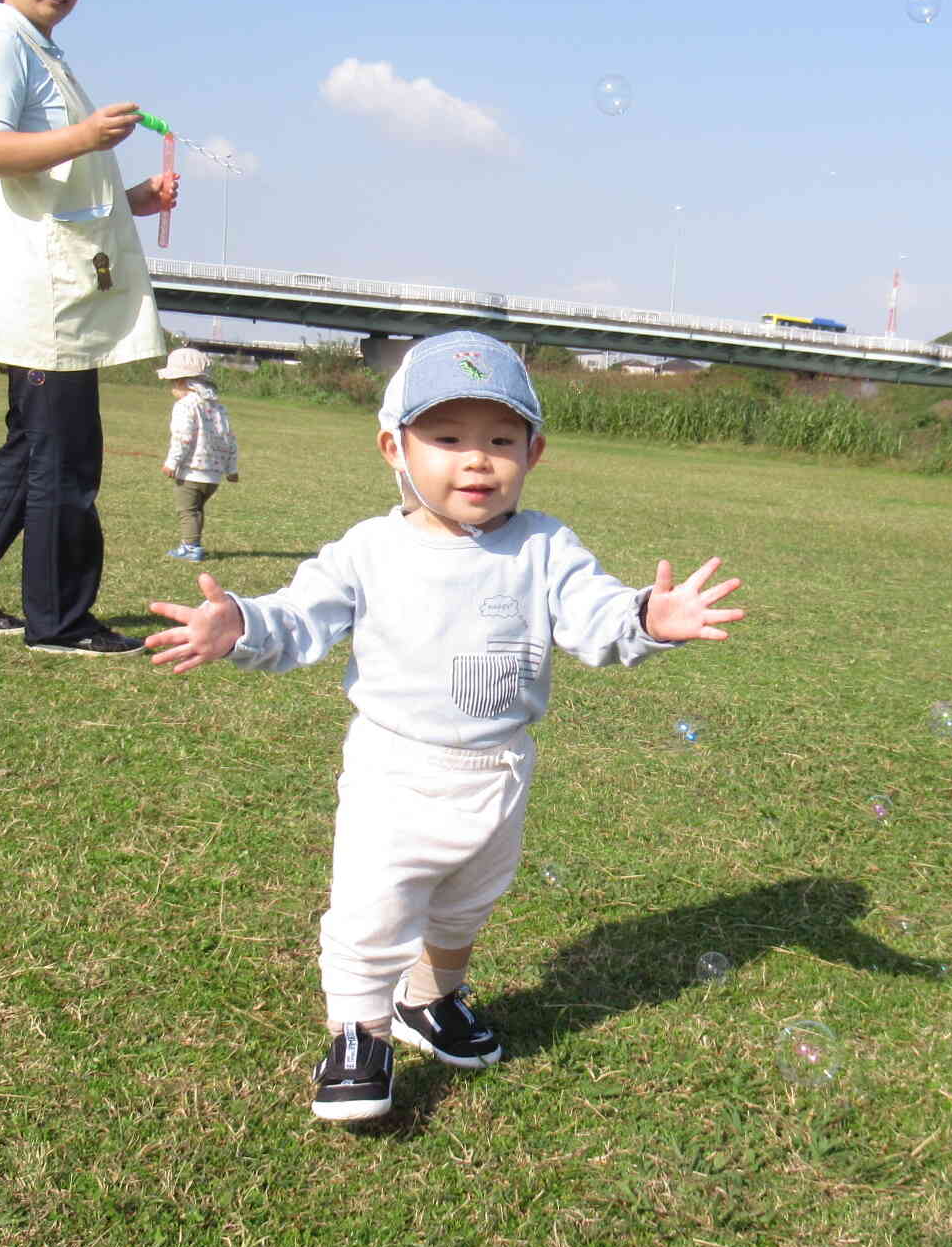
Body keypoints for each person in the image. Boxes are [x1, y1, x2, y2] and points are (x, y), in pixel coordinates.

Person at [145, 332, 745, 1122]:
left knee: (468, 903)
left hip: (499, 770)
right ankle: (357, 1037)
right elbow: (299, 617)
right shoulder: (371, 549)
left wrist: (647, 616)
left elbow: (594, 613)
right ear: (394, 446)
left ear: (535, 451)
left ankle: (429, 1001)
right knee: (374, 909)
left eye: (501, 440)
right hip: (396, 770)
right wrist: (240, 625)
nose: (476, 461)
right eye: (447, 438)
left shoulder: (545, 546)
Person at [0, 0, 176, 655]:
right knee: (65, 460)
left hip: (55, 288)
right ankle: (59, 620)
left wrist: (136, 195)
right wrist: (86, 135)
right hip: (41, 297)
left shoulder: (41, 50)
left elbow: (53, 181)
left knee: (31, 451)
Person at [158, 346, 239, 563]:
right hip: (213, 476)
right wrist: (231, 469)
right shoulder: (218, 407)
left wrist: (172, 462)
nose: (171, 388)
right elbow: (229, 438)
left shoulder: (185, 405)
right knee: (197, 510)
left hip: (192, 471)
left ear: (184, 382)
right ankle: (193, 542)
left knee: (186, 510)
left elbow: (183, 436)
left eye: (172, 383)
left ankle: (191, 547)